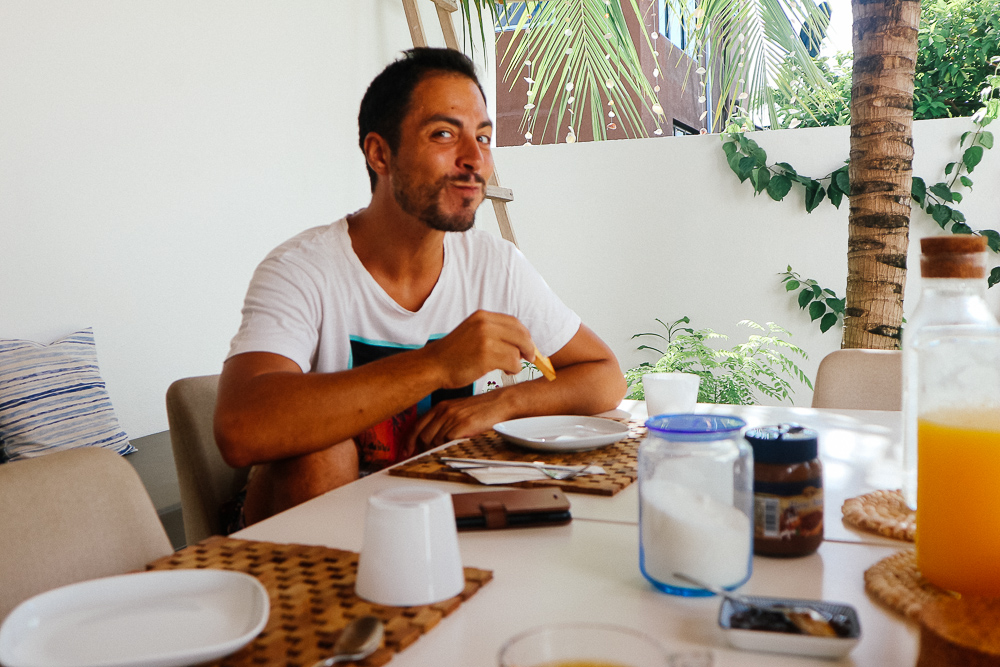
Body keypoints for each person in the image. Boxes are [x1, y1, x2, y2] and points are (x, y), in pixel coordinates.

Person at [214, 47, 626, 527]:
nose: (475, 159)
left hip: (448, 516)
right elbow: (239, 429)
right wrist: (438, 364)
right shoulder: (303, 269)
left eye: (483, 137)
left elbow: (605, 375)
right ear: (380, 154)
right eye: (444, 134)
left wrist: (503, 402)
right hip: (320, 531)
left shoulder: (495, 265)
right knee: (320, 455)